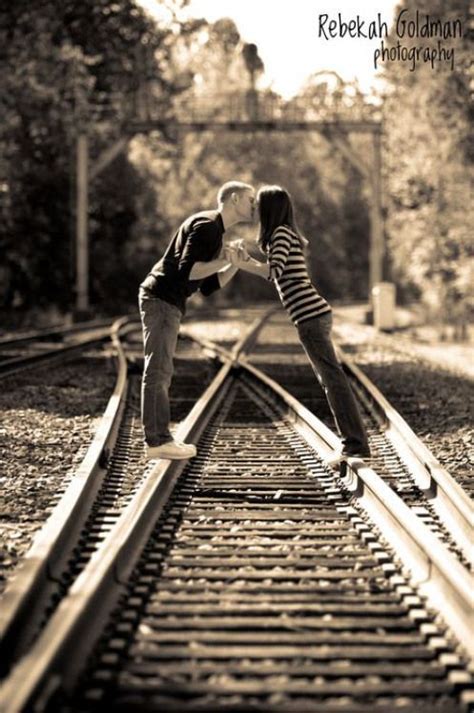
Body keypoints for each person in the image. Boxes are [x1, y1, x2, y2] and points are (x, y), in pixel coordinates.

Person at [229, 184, 371, 464]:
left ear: (270, 208)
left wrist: (241, 264)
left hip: (311, 317)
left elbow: (273, 271)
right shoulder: (280, 236)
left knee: (333, 380)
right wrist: (247, 259)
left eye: (258, 204)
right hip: (310, 316)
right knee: (330, 379)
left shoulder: (281, 233)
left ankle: (354, 445)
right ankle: (353, 443)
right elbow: (275, 268)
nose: (254, 208)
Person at [139, 181, 255, 461]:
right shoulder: (207, 225)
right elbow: (188, 270)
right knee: (158, 370)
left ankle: (159, 439)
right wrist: (224, 257)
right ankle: (157, 442)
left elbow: (208, 285)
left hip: (167, 301)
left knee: (161, 369)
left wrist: (234, 263)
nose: (254, 206)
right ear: (235, 199)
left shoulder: (215, 230)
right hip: (161, 298)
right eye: (251, 200)